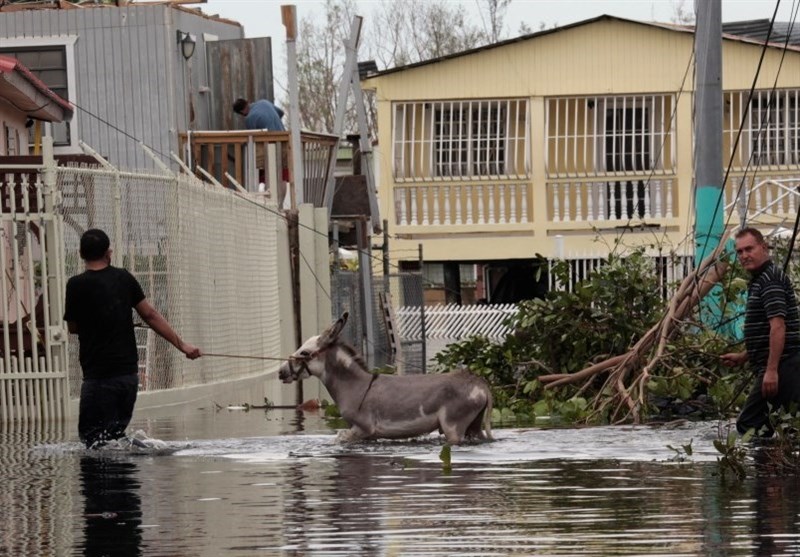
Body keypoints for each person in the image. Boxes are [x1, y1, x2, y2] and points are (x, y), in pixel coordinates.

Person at [64, 229, 201, 449]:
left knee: (94, 442)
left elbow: (73, 327)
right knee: (116, 437)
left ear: (80, 253)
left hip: (98, 378)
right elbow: (150, 315)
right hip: (128, 377)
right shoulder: (124, 278)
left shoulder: (75, 285)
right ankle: (145, 452)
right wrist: (183, 346)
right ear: (109, 252)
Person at [721, 227, 800, 437]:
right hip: (781, 365)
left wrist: (772, 370)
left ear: (763, 247)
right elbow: (768, 331)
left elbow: (778, 326)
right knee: (785, 426)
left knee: (750, 424)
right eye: (739, 252)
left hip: (785, 365)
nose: (744, 255)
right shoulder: (760, 279)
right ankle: (778, 468)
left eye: (749, 249)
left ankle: (763, 469)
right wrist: (743, 356)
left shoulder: (769, 280)